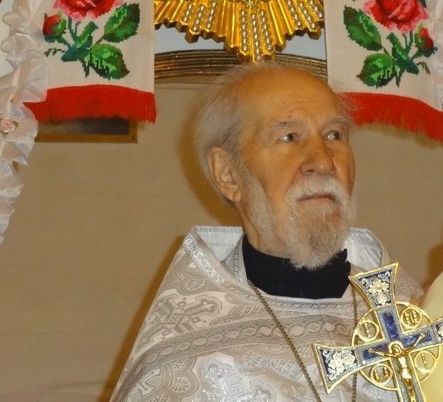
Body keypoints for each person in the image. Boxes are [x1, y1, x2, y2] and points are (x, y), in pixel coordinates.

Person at [110, 62, 422, 401]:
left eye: (334, 135)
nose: (322, 161)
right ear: (228, 173)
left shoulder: (414, 319)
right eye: (289, 137)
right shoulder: (186, 362)